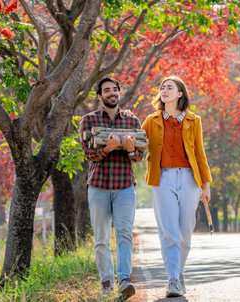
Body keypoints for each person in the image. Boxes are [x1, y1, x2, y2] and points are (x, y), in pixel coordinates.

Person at [142, 76, 212, 297]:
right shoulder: (151, 120)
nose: (164, 90)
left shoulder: (194, 120)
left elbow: (200, 154)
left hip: (190, 180)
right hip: (162, 179)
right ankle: (172, 279)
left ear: (180, 93)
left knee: (185, 233)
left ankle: (179, 271)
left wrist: (206, 185)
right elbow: (137, 142)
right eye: (162, 87)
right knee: (169, 232)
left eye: (169, 87)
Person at [80, 77, 143, 299]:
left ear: (119, 93)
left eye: (114, 89)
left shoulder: (132, 120)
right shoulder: (89, 120)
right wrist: (107, 148)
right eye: (106, 90)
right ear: (100, 96)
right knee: (101, 238)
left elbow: (138, 157)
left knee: (125, 234)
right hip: (98, 187)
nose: (112, 93)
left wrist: (129, 149)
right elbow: (89, 155)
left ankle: (124, 280)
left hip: (125, 186)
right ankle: (106, 284)